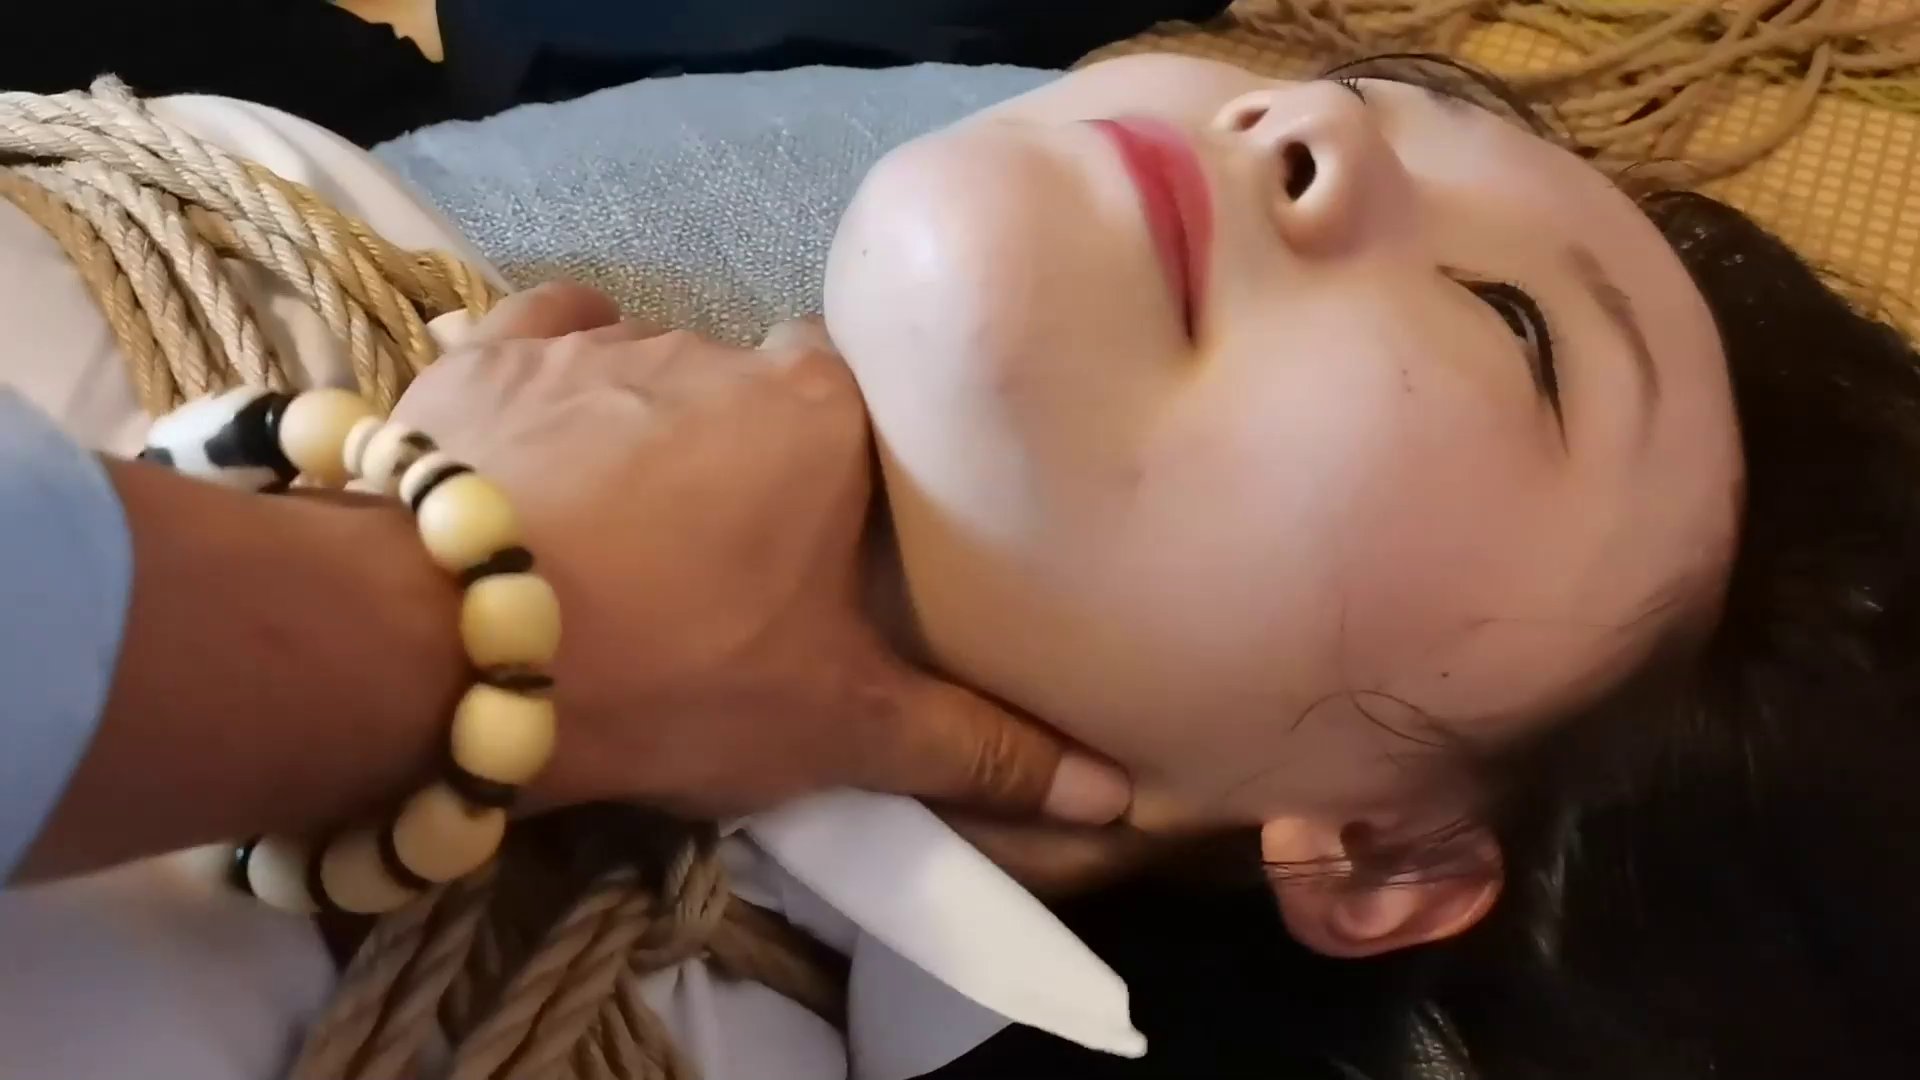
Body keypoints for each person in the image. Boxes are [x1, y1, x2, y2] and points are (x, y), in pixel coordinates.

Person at [2, 46, 1915, 1080]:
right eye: (1394, 91)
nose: (1318, 120)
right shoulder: (303, 227)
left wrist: (451, 617)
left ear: (1391, 855)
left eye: (1517, 329)